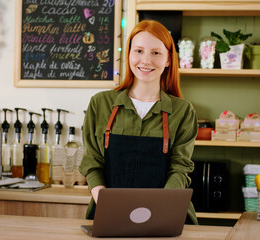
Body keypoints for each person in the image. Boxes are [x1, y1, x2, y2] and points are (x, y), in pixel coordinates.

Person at [79, 20, 198, 224]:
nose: (146, 60)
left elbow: (180, 168)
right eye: (139, 51)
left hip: (167, 214)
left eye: (156, 53)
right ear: (129, 55)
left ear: (169, 59)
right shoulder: (100, 104)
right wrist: (109, 205)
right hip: (108, 213)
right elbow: (92, 163)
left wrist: (160, 209)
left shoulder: (183, 111)